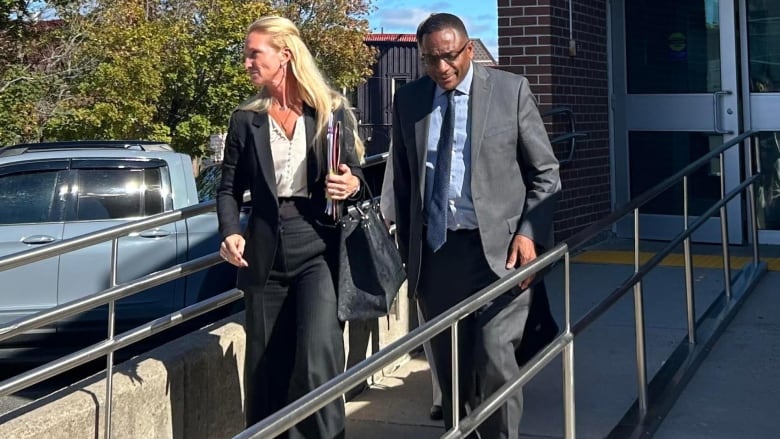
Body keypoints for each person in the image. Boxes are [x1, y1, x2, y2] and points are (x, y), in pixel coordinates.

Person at [391, 13, 561, 438]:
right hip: (436, 254)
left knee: (493, 359)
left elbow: (546, 172)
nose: (442, 68)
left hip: (500, 252)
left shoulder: (510, 91)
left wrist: (529, 233)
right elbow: (405, 180)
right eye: (431, 60)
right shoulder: (409, 101)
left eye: (450, 57)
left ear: (469, 50)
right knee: (451, 372)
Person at [216, 16, 364, 439]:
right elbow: (228, 188)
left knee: (318, 358)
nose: (246, 62)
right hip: (263, 253)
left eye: (253, 53)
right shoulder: (246, 119)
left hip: (318, 248)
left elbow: (356, 173)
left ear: (285, 54)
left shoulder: (330, 110)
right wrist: (230, 231)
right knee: (266, 367)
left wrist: (350, 182)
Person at [380, 145, 444, 421]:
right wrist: (389, 209)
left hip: (475, 226)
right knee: (430, 313)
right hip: (426, 227)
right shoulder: (413, 103)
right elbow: (399, 154)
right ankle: (442, 390)